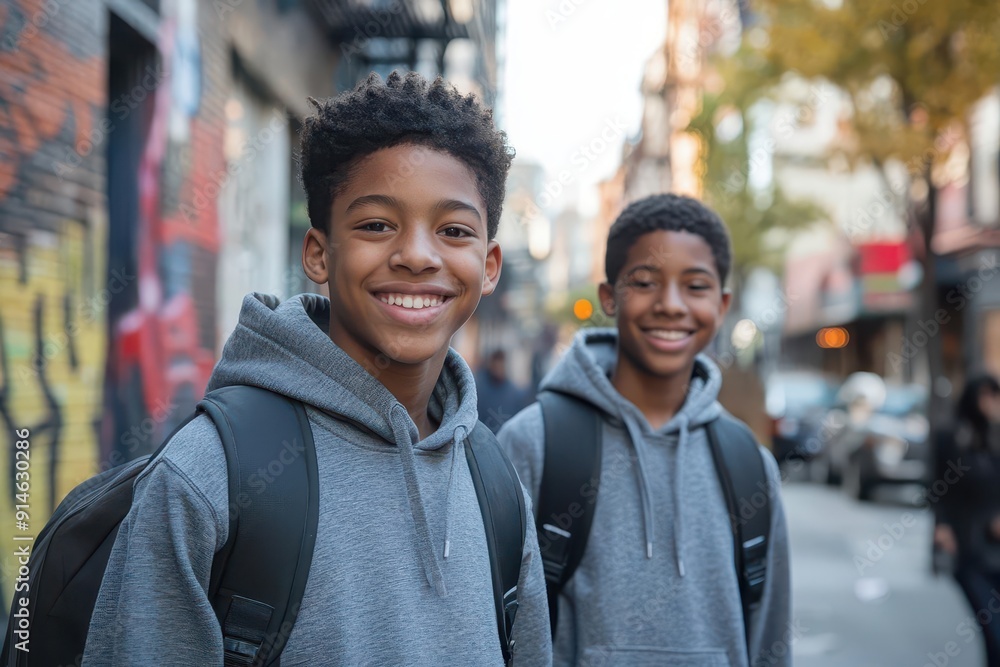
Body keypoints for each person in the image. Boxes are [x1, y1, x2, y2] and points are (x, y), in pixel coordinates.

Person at [83, 72, 552, 665]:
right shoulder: (210, 475)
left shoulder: (498, 486)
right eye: (376, 224)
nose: (416, 254)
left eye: (453, 230)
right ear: (318, 254)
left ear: (488, 265)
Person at [497, 193, 791, 666]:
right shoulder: (534, 443)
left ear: (722, 304)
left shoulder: (749, 465)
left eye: (696, 286)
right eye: (645, 282)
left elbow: (772, 641)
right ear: (609, 297)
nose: (671, 305)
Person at [934, 373, 1000, 666]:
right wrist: (943, 526)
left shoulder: (996, 436)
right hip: (968, 545)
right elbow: (938, 488)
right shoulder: (952, 436)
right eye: (985, 396)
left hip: (995, 543)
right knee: (991, 626)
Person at [476, 348, 532, 433]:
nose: (498, 369)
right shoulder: (480, 389)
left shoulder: (514, 393)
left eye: (501, 365)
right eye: (496, 365)